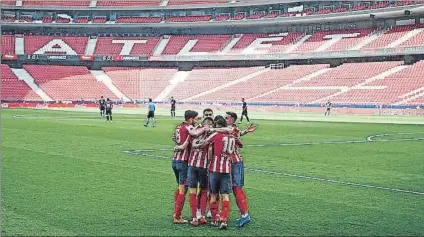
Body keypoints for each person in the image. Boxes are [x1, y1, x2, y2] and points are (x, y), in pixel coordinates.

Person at [194, 115, 242, 229]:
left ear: (216, 125)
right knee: (225, 195)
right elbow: (240, 143)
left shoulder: (216, 135)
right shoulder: (231, 136)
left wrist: (195, 143)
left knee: (214, 194)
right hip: (226, 169)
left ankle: (216, 219)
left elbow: (203, 144)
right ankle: (224, 220)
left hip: (214, 169)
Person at [174, 117, 214, 226]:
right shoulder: (211, 133)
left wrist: (177, 146)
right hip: (203, 166)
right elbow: (210, 150)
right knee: (204, 190)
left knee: (192, 191)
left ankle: (194, 218)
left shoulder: (192, 131)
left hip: (191, 165)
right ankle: (202, 216)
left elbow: (184, 144)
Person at [172, 110, 199, 224]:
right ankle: (177, 217)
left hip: (175, 160)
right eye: (196, 119)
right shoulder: (189, 128)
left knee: (180, 187)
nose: (197, 121)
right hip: (183, 161)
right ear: (191, 119)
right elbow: (196, 134)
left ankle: (176, 213)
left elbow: (175, 138)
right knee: (183, 189)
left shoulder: (179, 126)